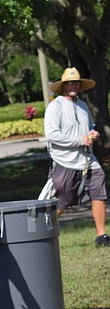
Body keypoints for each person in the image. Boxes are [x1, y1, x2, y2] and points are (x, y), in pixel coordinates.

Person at [44, 67, 108, 247]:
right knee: (62, 202)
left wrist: (92, 134)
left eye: (76, 83)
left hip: (88, 160)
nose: (74, 85)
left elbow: (89, 128)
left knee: (98, 191)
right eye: (70, 83)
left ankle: (102, 236)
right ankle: (43, 234)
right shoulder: (55, 106)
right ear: (63, 85)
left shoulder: (83, 106)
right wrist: (78, 140)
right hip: (64, 161)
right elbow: (52, 134)